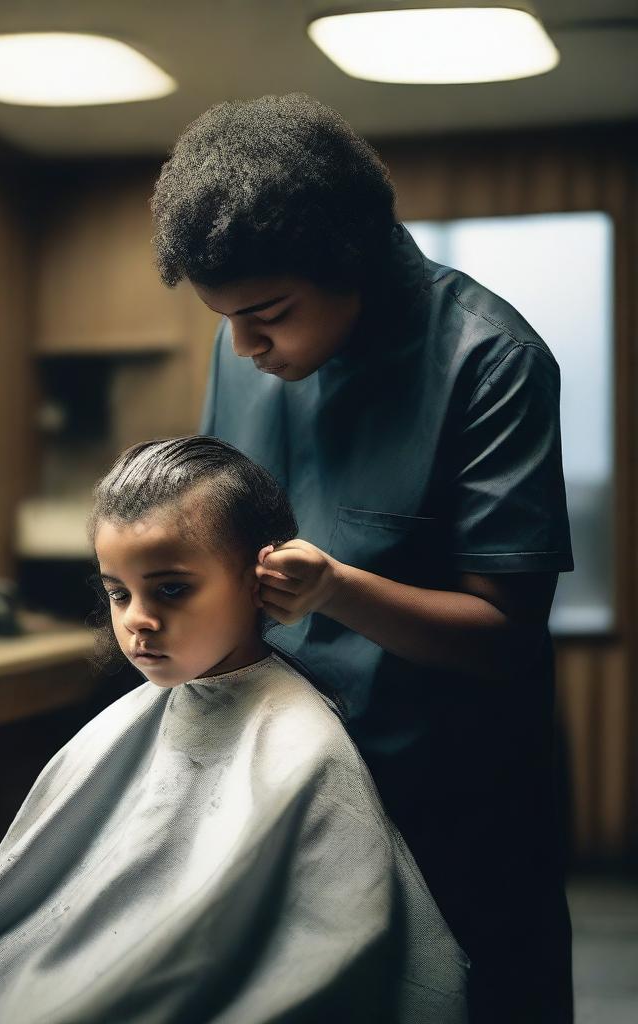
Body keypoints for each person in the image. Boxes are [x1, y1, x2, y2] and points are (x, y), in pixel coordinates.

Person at [151, 93, 574, 1022]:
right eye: (225, 318)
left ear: (354, 261)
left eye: (267, 314)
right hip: (289, 781)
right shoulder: (247, 344)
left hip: (454, 801)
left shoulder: (489, 358)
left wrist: (337, 589)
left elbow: (504, 636)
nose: (244, 346)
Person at [0, 436, 468, 1024]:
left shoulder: (301, 747)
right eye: (118, 594)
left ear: (264, 579)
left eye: (171, 589)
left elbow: (325, 957)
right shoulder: (125, 725)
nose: (138, 621)